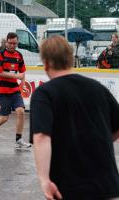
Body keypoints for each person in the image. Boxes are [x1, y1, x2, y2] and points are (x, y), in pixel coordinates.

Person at [30, 35, 119, 200]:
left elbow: (42, 137)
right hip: (106, 184)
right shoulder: (97, 88)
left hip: (69, 187)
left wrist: (44, 179)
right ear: (70, 59)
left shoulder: (44, 93)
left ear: (46, 63)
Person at [0, 32, 31, 149]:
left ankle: (19, 139)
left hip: (15, 91)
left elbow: (22, 72)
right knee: (4, 118)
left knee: (21, 112)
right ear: (6, 42)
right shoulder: (0, 55)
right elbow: (0, 72)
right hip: (2, 91)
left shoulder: (19, 55)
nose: (12, 45)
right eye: (10, 43)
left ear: (17, 43)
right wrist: (17, 77)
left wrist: (21, 85)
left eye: (15, 43)